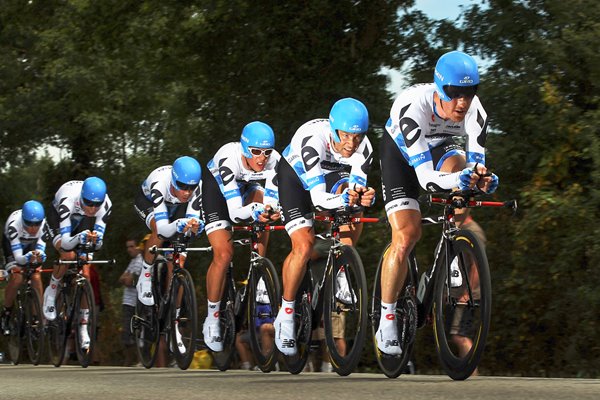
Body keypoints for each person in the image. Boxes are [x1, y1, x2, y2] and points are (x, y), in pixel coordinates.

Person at [377, 50, 499, 355]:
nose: (462, 102)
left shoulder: (475, 112)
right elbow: (425, 180)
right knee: (406, 237)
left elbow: (474, 166)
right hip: (403, 157)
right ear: (440, 88)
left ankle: (454, 247)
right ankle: (387, 316)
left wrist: (481, 179)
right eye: (454, 94)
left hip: (442, 147)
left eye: (469, 93)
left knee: (464, 178)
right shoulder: (412, 108)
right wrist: (459, 180)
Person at [273, 98, 376, 355]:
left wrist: (361, 196)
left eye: (358, 137)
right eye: (346, 136)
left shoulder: (364, 148)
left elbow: (353, 187)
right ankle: (285, 314)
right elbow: (318, 198)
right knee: (304, 245)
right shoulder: (313, 139)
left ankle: (341, 265)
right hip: (296, 178)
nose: (351, 144)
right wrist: (342, 199)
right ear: (333, 129)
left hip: (332, 175)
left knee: (354, 205)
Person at [201, 121, 281, 352]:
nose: (262, 158)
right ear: (246, 149)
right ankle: (212, 316)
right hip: (217, 192)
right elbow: (236, 214)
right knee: (224, 254)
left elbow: (271, 199)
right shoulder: (229, 158)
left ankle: (259, 271)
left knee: (263, 207)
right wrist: (254, 211)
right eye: (256, 152)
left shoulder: (274, 160)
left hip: (248, 187)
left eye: (266, 152)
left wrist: (268, 211)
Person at [134, 156, 203, 361]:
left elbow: (194, 223)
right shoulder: (159, 182)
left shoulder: (194, 190)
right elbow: (165, 229)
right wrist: (179, 225)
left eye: (191, 188)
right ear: (173, 181)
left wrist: (194, 227)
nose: (187, 192)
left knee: (179, 262)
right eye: (182, 186)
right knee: (158, 230)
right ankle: (145, 275)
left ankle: (174, 325)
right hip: (149, 202)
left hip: (177, 209)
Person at [42, 177, 112, 351]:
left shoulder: (105, 205)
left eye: (97, 205)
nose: (93, 208)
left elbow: (99, 242)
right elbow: (66, 242)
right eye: (89, 203)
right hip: (59, 219)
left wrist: (93, 242)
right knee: (67, 254)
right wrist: (79, 238)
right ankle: (52, 288)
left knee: (86, 269)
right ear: (82, 197)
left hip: (83, 223)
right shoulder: (68, 201)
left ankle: (83, 326)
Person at [1, 200, 47, 336]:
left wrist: (38, 257)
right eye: (29, 224)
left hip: (31, 244)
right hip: (13, 246)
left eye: (36, 224)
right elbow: (19, 258)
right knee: (17, 277)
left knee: (36, 276)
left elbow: (41, 250)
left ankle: (36, 319)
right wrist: (26, 259)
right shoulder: (14, 226)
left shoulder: (44, 225)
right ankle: (6, 314)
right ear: (23, 220)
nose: (33, 228)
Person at [118, 236, 145, 366]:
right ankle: (130, 360)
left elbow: (129, 281)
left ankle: (138, 360)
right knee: (126, 332)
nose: (129, 249)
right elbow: (121, 278)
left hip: (135, 301)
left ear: (138, 247)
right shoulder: (133, 261)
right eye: (127, 247)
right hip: (127, 301)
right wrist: (126, 277)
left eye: (132, 246)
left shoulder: (140, 261)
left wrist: (127, 278)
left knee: (135, 331)